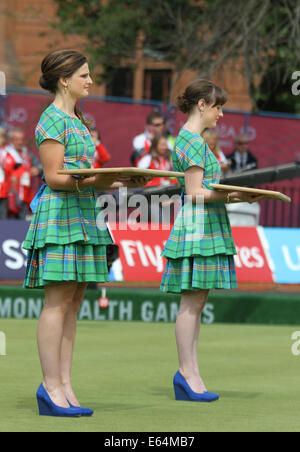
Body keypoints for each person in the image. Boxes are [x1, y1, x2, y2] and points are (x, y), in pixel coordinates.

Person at [22, 49, 150, 418]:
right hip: (61, 215)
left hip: (85, 213)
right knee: (57, 303)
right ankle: (50, 387)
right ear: (64, 79)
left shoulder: (78, 120)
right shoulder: (52, 120)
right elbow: (55, 179)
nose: (90, 81)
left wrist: (120, 178)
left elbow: (84, 175)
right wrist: (105, 178)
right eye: (84, 75)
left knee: (73, 304)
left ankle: (64, 384)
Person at [160, 79, 264, 403]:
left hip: (204, 221)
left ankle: (191, 373)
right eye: (217, 106)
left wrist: (231, 195)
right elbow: (194, 192)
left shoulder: (195, 140)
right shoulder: (191, 140)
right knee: (191, 303)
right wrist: (231, 195)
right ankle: (187, 373)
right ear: (202, 104)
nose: (221, 114)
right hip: (198, 223)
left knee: (197, 302)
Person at [0, 127, 16, 219]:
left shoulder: (8, 151)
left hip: (4, 190)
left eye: (1, 137)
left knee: (3, 215)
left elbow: (16, 166)